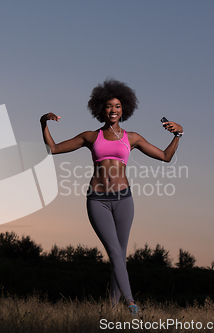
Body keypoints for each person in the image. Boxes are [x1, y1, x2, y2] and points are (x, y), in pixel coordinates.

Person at [40, 78, 183, 315]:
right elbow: (53, 149)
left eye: (117, 106)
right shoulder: (90, 136)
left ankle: (111, 310)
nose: (113, 110)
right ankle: (130, 303)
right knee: (115, 252)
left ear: (124, 109)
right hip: (97, 200)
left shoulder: (133, 138)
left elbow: (166, 157)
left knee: (120, 256)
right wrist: (43, 122)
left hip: (124, 199)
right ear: (101, 109)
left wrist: (179, 134)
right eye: (109, 106)